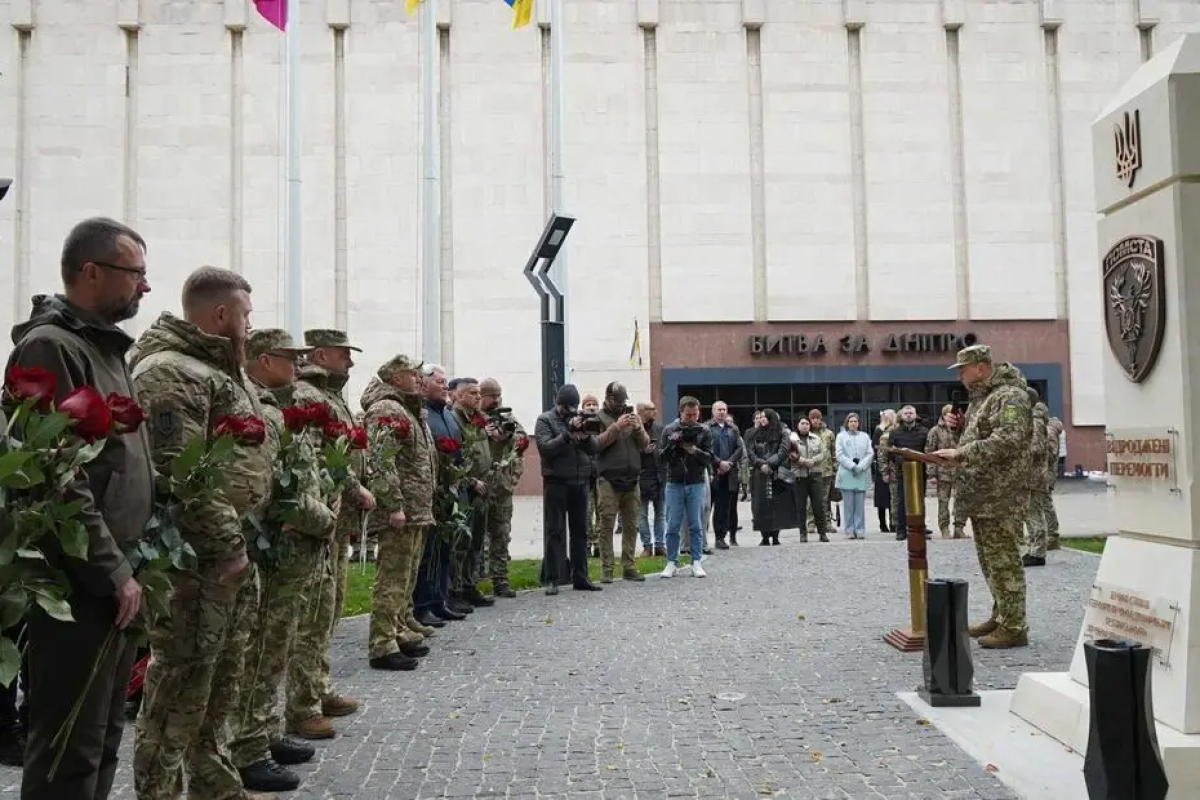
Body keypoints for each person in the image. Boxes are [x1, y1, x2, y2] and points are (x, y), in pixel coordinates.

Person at [6, 218, 155, 800]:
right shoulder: (51, 346)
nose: (145, 287)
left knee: (102, 733)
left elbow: (121, 461)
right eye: (136, 273)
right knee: (70, 741)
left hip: (114, 575)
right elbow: (54, 476)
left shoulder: (103, 347)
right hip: (77, 581)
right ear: (91, 272)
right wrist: (112, 570)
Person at [131, 266, 273, 799]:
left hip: (228, 558)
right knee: (178, 689)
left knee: (219, 686)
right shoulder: (173, 372)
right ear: (221, 314)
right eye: (245, 312)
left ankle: (214, 783)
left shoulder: (219, 369)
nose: (249, 322)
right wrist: (226, 548)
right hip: (196, 565)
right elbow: (176, 473)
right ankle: (160, 792)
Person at [233, 329, 337, 791]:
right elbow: (277, 491)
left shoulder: (275, 408)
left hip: (295, 544)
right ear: (262, 360)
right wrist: (325, 520)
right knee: (264, 648)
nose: (297, 365)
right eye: (288, 358)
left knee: (277, 644)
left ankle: (265, 732)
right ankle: (249, 746)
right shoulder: (259, 409)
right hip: (276, 546)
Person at [931, 344, 1032, 649]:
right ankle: (1001, 615)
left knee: (1004, 561)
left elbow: (1009, 440)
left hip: (1002, 494)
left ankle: (1015, 626)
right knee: (990, 562)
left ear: (980, 367)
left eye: (963, 369)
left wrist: (962, 453)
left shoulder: (1010, 396)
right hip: (983, 494)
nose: (960, 375)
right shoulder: (983, 398)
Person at [361, 355, 437, 670]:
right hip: (401, 509)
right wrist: (393, 504)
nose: (419, 378)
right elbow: (381, 460)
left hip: (416, 507)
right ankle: (382, 644)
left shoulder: (408, 408)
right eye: (412, 374)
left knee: (406, 577)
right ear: (395, 377)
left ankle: (397, 630)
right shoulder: (386, 410)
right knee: (392, 578)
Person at [534, 385, 603, 594]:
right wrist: (567, 434)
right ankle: (553, 579)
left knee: (580, 532)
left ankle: (581, 577)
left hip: (580, 481)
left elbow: (594, 448)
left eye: (574, 407)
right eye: (566, 408)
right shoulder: (545, 420)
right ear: (558, 404)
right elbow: (546, 449)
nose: (570, 411)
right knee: (555, 531)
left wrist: (585, 436)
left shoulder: (580, 418)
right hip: (556, 482)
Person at [593, 382, 650, 582]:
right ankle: (607, 569)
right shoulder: (598, 418)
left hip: (632, 479)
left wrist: (637, 429)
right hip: (608, 479)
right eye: (617, 401)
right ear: (608, 399)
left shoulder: (633, 418)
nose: (620, 405)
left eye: (623, 401)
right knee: (606, 525)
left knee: (631, 524)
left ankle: (629, 566)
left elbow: (645, 444)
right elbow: (595, 445)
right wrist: (616, 428)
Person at [659, 396, 717, 577]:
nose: (692, 418)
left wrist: (695, 450)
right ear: (680, 412)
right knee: (673, 524)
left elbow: (710, 458)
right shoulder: (669, 429)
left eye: (695, 414)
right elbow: (660, 458)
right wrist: (672, 444)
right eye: (688, 415)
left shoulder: (704, 431)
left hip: (696, 481)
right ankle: (671, 561)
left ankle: (696, 561)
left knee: (696, 524)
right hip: (674, 481)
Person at [745, 410, 795, 546]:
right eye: (760, 417)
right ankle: (764, 536)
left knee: (776, 504)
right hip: (759, 473)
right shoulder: (753, 434)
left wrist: (770, 463)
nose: (762, 419)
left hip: (776, 472)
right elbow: (750, 452)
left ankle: (776, 536)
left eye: (764, 417)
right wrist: (761, 464)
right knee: (761, 505)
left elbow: (784, 450)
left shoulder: (782, 432)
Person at [835, 413, 874, 539]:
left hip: (861, 473)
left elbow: (870, 453)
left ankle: (860, 529)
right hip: (847, 473)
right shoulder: (841, 436)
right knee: (848, 505)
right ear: (847, 423)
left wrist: (861, 466)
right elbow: (839, 455)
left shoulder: (865, 436)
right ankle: (849, 530)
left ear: (859, 423)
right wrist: (852, 465)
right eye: (851, 421)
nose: (853, 423)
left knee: (859, 505)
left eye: (855, 421)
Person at [790, 418, 828, 543]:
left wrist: (813, 461)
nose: (805, 426)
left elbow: (823, 453)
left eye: (807, 424)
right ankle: (803, 533)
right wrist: (804, 462)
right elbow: (791, 455)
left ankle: (822, 533)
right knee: (801, 506)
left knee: (819, 505)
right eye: (802, 423)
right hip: (799, 476)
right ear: (798, 425)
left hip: (815, 475)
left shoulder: (816, 438)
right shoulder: (792, 439)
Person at [872, 410, 896, 533]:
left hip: (894, 470)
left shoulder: (895, 429)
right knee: (882, 499)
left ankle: (894, 523)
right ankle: (882, 524)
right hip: (882, 469)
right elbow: (876, 449)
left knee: (893, 498)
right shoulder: (878, 430)